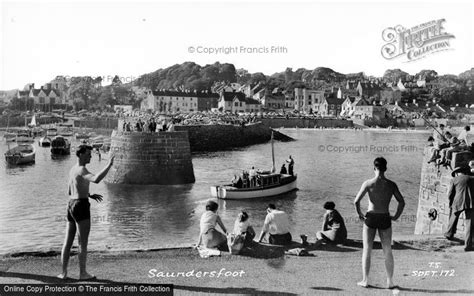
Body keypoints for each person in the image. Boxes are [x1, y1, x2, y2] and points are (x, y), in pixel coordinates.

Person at [58, 145, 114, 280]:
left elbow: (70, 191)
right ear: (81, 154)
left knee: (68, 242)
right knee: (82, 242)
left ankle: (63, 273)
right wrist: (109, 165)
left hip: (70, 205)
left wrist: (88, 194)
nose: (90, 156)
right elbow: (96, 179)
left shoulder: (73, 169)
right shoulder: (82, 169)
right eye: (88, 154)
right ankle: (83, 273)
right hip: (81, 206)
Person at [354, 157, 405, 289]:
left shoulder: (368, 183)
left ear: (374, 168)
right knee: (387, 250)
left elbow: (356, 201)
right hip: (384, 217)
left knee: (367, 249)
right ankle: (390, 282)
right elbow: (401, 202)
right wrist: (396, 216)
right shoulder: (391, 184)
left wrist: (360, 214)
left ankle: (365, 280)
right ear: (385, 168)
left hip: (370, 217)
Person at [444, 166, 474, 251]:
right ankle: (468, 245)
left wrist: (450, 203)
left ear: (457, 173)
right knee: (469, 223)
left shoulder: (454, 180)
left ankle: (449, 234)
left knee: (453, 217)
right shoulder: (472, 178)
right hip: (471, 203)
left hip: (458, 201)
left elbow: (450, 193)